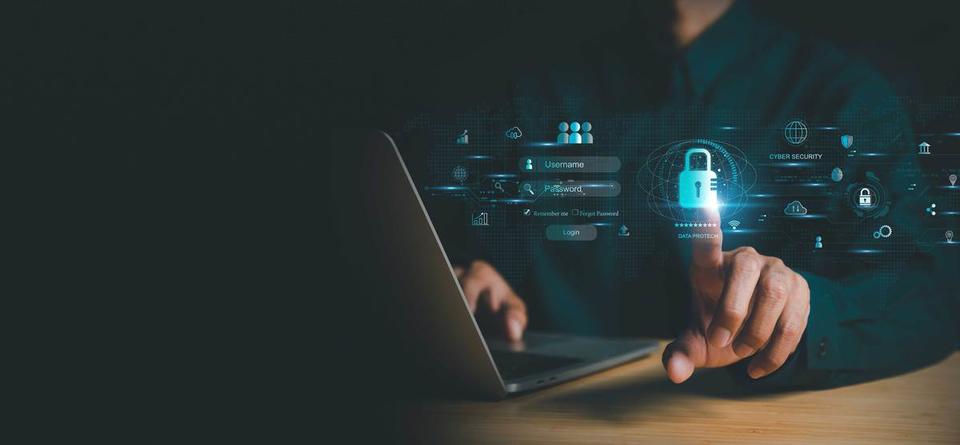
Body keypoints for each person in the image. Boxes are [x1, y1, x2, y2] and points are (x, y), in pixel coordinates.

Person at [411, 0, 957, 390]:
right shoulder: (529, 94)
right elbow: (473, 263)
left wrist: (796, 310)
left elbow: (928, 295)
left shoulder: (843, 96)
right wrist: (470, 289)